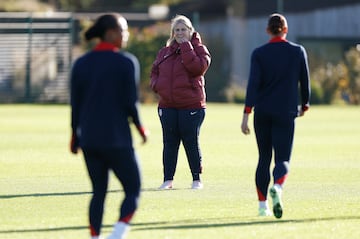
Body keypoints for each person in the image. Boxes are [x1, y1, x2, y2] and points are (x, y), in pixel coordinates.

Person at [69, 13, 148, 239]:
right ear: (111, 33)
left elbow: (76, 106)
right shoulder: (126, 62)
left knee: (98, 192)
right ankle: (118, 233)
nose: (126, 35)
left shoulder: (81, 63)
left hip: (90, 140)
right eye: (123, 30)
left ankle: (95, 236)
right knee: (133, 189)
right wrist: (141, 129)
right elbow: (130, 104)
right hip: (117, 140)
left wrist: (74, 137)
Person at [241, 13, 310, 219]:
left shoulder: (259, 53)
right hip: (285, 112)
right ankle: (278, 187)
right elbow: (304, 83)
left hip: (262, 112)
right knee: (282, 158)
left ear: (267, 31)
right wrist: (304, 105)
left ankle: (263, 206)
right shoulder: (297, 51)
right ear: (285, 30)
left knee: (264, 158)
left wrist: (246, 113)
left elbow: (252, 85)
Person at [150, 15, 211, 190]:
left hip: (191, 106)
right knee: (169, 143)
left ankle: (196, 179)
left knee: (190, 142)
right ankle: (168, 180)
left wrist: (186, 46)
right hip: (167, 106)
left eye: (183, 29)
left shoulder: (200, 50)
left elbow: (197, 68)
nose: (180, 33)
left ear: (190, 31)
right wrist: (157, 86)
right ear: (172, 32)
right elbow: (154, 71)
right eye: (177, 30)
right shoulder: (164, 52)